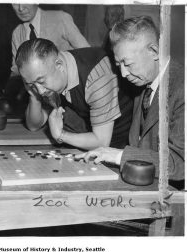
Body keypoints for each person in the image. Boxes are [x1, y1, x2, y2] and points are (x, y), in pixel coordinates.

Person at [76, 16, 185, 187]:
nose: (124, 73)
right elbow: (141, 144)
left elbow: (179, 163)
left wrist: (119, 156)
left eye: (128, 64)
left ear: (154, 51)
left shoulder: (182, 88)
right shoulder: (143, 82)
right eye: (118, 64)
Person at [15, 38, 133, 150]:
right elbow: (34, 125)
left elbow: (102, 142)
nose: (40, 91)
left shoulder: (97, 77)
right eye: (31, 84)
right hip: (88, 135)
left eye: (41, 81)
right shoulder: (49, 74)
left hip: (121, 143)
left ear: (59, 65)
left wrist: (61, 135)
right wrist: (33, 94)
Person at [5, 4, 90, 104]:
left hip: (71, 98)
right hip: (41, 99)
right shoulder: (17, 32)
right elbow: (16, 70)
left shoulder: (60, 18)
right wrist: (6, 94)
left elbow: (87, 53)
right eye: (15, 2)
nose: (21, 8)